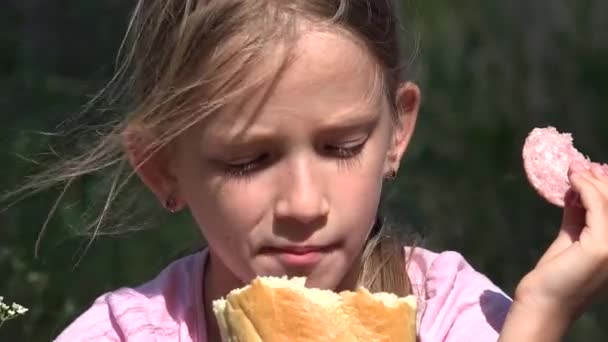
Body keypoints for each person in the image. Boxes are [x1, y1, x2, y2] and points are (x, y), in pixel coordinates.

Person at [8, 1, 607, 341]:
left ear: (396, 131)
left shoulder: (457, 315)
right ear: (163, 166)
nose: (303, 203)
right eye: (249, 160)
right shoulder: (121, 334)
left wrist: (541, 316)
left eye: (342, 147)